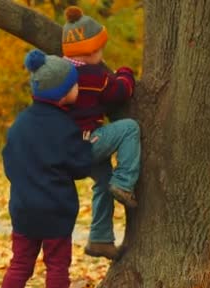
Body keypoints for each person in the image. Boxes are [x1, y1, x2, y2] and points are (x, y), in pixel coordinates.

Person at [0, 49, 92, 288]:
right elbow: (80, 167)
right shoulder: (65, 127)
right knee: (57, 266)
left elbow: (9, 161)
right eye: (74, 85)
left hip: (23, 208)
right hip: (55, 211)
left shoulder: (20, 123)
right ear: (61, 94)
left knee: (20, 264)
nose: (78, 88)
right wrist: (86, 142)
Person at [62, 5, 140, 260]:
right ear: (91, 50)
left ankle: (100, 239)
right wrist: (125, 73)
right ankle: (125, 181)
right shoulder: (94, 75)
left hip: (70, 148)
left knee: (102, 185)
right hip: (89, 141)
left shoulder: (61, 73)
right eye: (100, 50)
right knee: (129, 128)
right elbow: (120, 92)